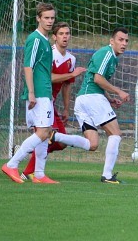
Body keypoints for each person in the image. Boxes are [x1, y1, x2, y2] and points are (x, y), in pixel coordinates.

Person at [20, 22, 90, 181]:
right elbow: (47, 77)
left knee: (59, 142)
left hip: (51, 105)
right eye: (61, 34)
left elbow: (66, 86)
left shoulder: (71, 59)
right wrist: (72, 75)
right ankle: (28, 171)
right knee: (47, 137)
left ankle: (29, 158)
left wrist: (66, 108)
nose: (65, 36)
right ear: (54, 37)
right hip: (40, 100)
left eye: (67, 33)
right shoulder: (49, 54)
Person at [1, 3, 58, 184]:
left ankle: (39, 174)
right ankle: (12, 164)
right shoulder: (35, 39)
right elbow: (28, 66)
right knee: (42, 133)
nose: (49, 21)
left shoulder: (46, 40)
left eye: (52, 18)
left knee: (45, 131)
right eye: (46, 18)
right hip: (38, 93)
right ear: (38, 18)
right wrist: (32, 93)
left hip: (45, 92)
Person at [74, 27, 131, 184]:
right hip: (92, 97)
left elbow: (96, 81)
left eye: (126, 40)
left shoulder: (112, 57)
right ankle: (107, 175)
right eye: (120, 40)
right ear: (111, 41)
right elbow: (98, 79)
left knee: (92, 144)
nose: (124, 43)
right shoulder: (107, 53)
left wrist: (110, 99)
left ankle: (55, 136)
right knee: (115, 134)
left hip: (84, 99)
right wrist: (119, 92)